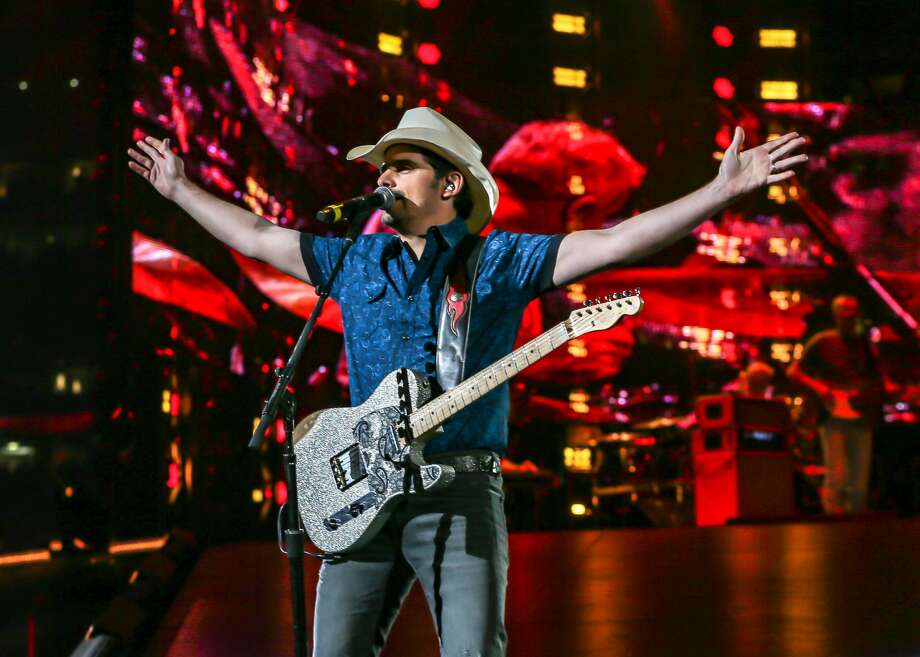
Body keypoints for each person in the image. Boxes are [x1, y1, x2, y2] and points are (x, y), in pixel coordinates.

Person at [128, 107, 807, 656]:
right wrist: (179, 189)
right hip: (362, 495)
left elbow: (614, 241)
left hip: (458, 493)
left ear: (449, 185)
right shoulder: (356, 259)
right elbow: (255, 234)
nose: (385, 177)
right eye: (383, 166)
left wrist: (719, 194)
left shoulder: (501, 259)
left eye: (402, 165)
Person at [788, 295, 883, 514]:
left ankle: (855, 531)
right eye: (845, 312)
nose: (850, 317)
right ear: (836, 314)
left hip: (861, 415)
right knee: (837, 476)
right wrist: (821, 388)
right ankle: (834, 526)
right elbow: (794, 371)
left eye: (853, 311)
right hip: (832, 417)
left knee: (860, 483)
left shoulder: (865, 344)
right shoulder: (823, 341)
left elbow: (876, 378)